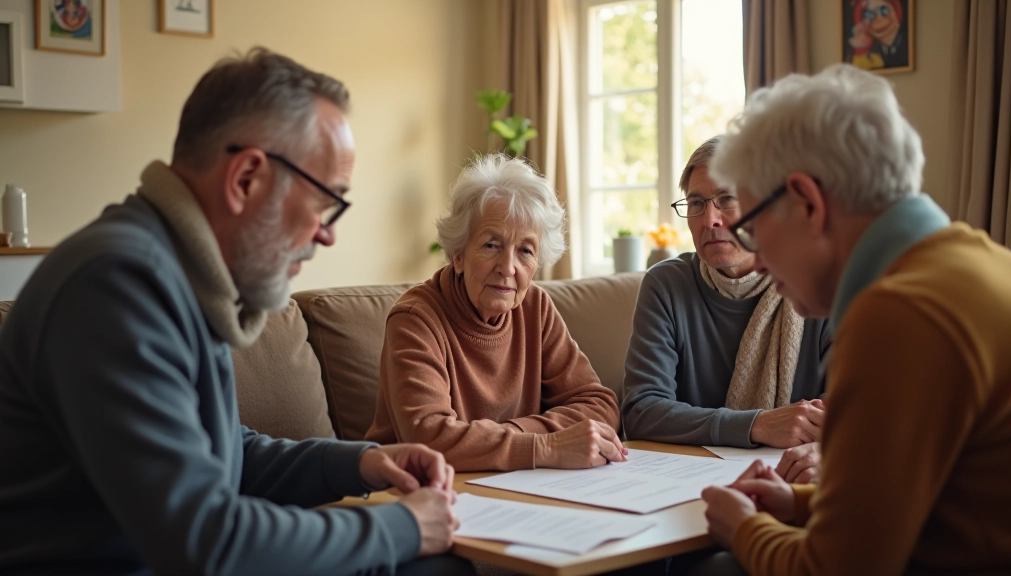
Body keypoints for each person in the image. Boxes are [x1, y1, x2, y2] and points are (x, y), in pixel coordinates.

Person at [0, 48, 473, 576]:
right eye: (325, 202)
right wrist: (403, 528)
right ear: (247, 178)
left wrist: (359, 463)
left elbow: (223, 454)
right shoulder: (117, 286)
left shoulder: (175, 271)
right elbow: (206, 542)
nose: (327, 233)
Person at [700, 63, 1011, 574]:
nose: (757, 259)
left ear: (806, 202)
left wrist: (744, 527)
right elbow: (931, 505)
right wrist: (797, 506)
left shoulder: (900, 314)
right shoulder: (981, 262)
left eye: (754, 230)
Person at [365, 154, 625, 472]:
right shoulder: (415, 320)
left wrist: (509, 438)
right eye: (491, 245)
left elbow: (599, 406)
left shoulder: (535, 308)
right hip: (416, 491)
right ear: (458, 255)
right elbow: (429, 439)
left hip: (516, 486)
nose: (508, 268)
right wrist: (546, 445)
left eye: (525, 251)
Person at [620, 136, 830, 484]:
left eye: (727, 199)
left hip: (796, 479)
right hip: (684, 482)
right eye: (697, 203)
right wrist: (757, 424)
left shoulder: (818, 283)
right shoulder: (666, 285)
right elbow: (641, 411)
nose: (710, 219)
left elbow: (855, 409)